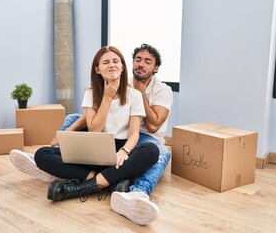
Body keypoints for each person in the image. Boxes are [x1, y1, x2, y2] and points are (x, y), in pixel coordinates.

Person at [10, 43, 173, 225]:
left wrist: (125, 151)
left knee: (153, 151)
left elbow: (141, 131)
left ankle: (89, 186)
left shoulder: (138, 93)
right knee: (43, 153)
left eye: (115, 61)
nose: (111, 65)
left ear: (122, 66)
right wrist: (65, 133)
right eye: (106, 62)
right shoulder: (92, 91)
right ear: (98, 69)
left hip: (128, 144)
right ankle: (113, 183)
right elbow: (94, 129)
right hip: (97, 143)